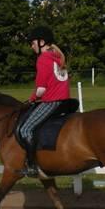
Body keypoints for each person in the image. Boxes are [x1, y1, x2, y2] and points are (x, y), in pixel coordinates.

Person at [17, 25, 71, 177]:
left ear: (42, 42)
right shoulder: (57, 57)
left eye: (32, 42)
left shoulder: (43, 59)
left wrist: (31, 99)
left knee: (25, 129)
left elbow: (41, 89)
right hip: (65, 100)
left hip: (52, 101)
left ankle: (33, 166)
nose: (31, 46)